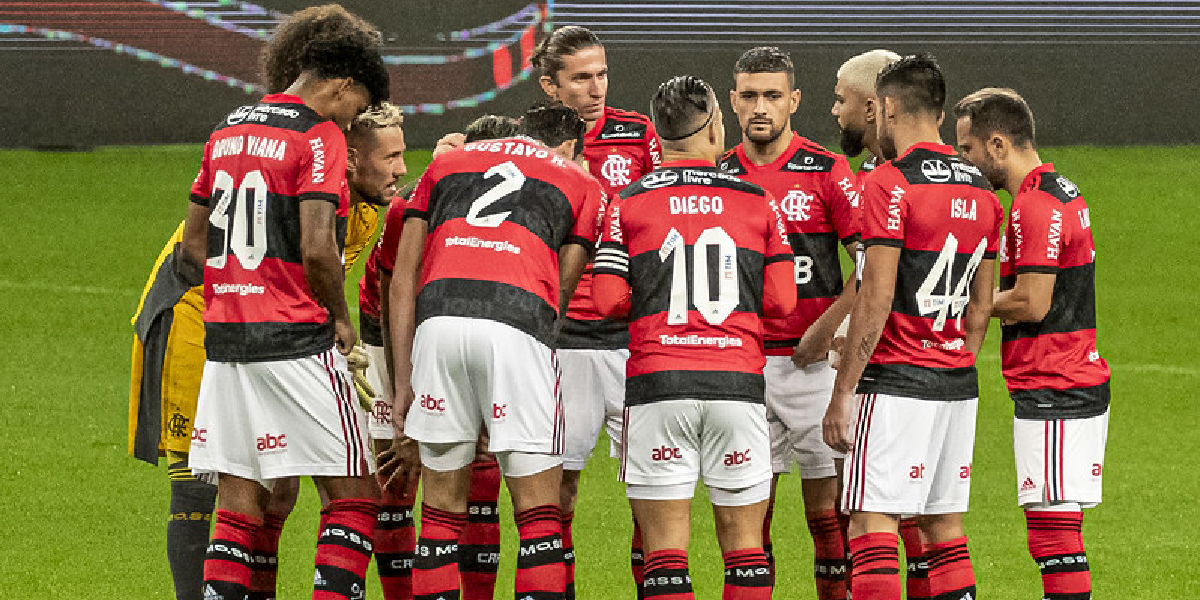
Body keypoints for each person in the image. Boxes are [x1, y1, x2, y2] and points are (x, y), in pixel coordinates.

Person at [128, 7, 388, 600]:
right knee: (354, 494)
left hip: (224, 342)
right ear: (343, 86)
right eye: (358, 107)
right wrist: (339, 319)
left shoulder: (229, 127)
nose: (354, 122)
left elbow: (194, 246)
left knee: (239, 501)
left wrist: (235, 288)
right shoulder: (316, 133)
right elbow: (321, 247)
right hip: (295, 338)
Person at [387, 102, 603, 600]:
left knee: (439, 513)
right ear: (571, 146)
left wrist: (404, 384)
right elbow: (560, 296)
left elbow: (402, 279)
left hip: (437, 323)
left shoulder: (447, 164)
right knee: (538, 514)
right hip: (516, 322)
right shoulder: (579, 181)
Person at [592, 75, 796, 600]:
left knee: (664, 555)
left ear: (658, 135)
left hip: (658, 386)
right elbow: (782, 303)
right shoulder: (758, 201)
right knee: (746, 549)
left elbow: (607, 301)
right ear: (712, 128)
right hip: (736, 385)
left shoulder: (628, 202)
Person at [821, 54, 1002, 600]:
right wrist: (954, 361)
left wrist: (843, 391)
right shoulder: (983, 189)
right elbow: (981, 307)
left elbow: (874, 297)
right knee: (944, 529)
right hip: (955, 384)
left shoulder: (889, 182)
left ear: (890, 107)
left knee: (870, 526)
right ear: (942, 113)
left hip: (896, 381)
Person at [954, 87, 1110, 600]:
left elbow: (1032, 302)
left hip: (1055, 381)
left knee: (1053, 534)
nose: (965, 162)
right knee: (1056, 529)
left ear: (997, 145)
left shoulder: (1034, 205)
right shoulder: (1061, 188)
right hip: (1068, 377)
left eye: (968, 150)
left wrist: (960, 304)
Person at [719, 46, 860, 599]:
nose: (761, 107)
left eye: (772, 96)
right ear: (732, 102)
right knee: (751, 527)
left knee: (829, 522)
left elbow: (871, 264)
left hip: (813, 369)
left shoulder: (826, 169)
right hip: (745, 367)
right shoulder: (719, 174)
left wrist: (826, 327)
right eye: (749, 95)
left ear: (794, 101)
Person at [360, 113, 518, 600]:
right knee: (397, 473)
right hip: (391, 330)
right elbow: (393, 297)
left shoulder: (518, 205)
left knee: (477, 469)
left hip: (460, 325)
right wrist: (403, 396)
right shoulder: (415, 203)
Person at [532, 25, 662, 595]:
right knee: (560, 488)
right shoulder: (532, 144)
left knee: (656, 490)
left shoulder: (639, 136)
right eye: (581, 78)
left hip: (635, 337)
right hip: (568, 339)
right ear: (550, 86)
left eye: (601, 74)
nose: (595, 88)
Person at [833, 47, 942, 600]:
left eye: (843, 100)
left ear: (877, 108)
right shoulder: (883, 173)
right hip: (942, 375)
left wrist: (836, 351)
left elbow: (875, 287)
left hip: (891, 371)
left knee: (875, 514)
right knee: (918, 513)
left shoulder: (887, 180)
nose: (836, 112)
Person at [831, 49, 901, 182]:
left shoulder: (929, 181)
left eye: (841, 100)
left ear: (870, 109)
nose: (834, 110)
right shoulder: (869, 167)